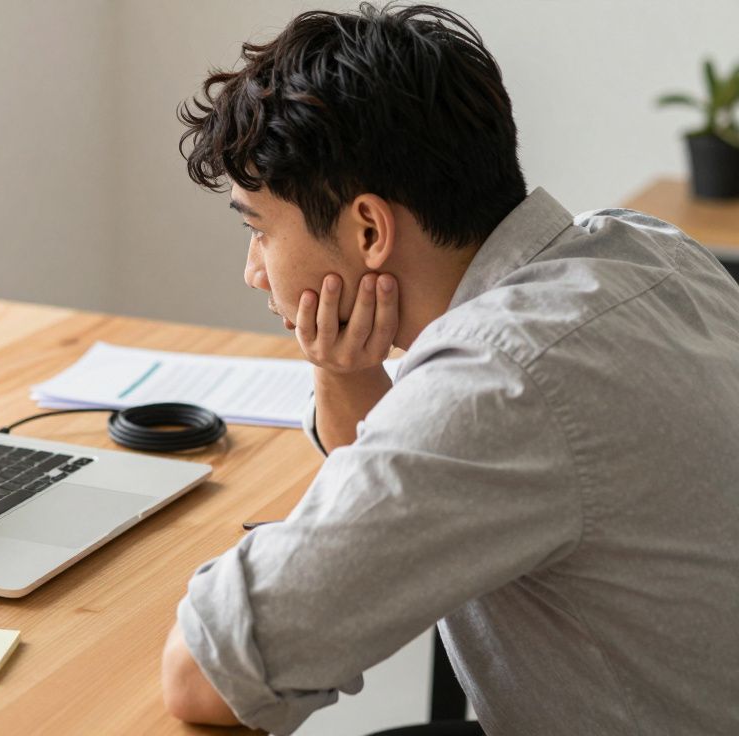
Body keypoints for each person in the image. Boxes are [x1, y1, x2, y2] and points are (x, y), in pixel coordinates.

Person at [159, 4, 739, 735]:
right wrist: (342, 372)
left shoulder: (502, 384)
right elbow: (413, 496)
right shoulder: (644, 247)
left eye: (258, 229)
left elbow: (201, 677)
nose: (253, 271)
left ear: (369, 229)